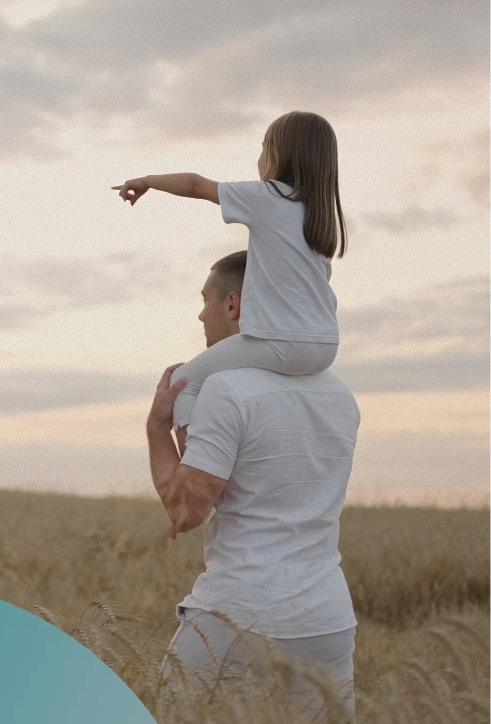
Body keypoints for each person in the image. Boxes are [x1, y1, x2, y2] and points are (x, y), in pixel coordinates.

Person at [145, 250, 361, 723]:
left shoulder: (227, 388)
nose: (200, 314)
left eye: (205, 299)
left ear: (232, 304)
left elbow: (185, 510)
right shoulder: (340, 395)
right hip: (326, 619)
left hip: (240, 612)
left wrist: (157, 427)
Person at [113, 111, 348, 454]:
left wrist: (147, 181)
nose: (260, 157)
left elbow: (196, 185)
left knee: (184, 381)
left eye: (265, 147)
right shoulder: (320, 216)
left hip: (280, 341)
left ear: (281, 154)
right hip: (325, 346)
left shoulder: (268, 197)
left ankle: (195, 463)